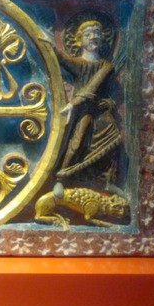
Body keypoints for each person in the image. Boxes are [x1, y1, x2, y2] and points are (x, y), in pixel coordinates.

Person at [53, 20, 124, 195]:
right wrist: (50, 47)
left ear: (103, 38)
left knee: (112, 139)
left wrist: (110, 102)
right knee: (77, 141)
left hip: (98, 110)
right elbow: (63, 59)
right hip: (82, 111)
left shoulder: (106, 66)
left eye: (97, 33)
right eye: (88, 34)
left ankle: (108, 181)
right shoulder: (78, 64)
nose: (93, 37)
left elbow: (100, 88)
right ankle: (61, 179)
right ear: (79, 41)